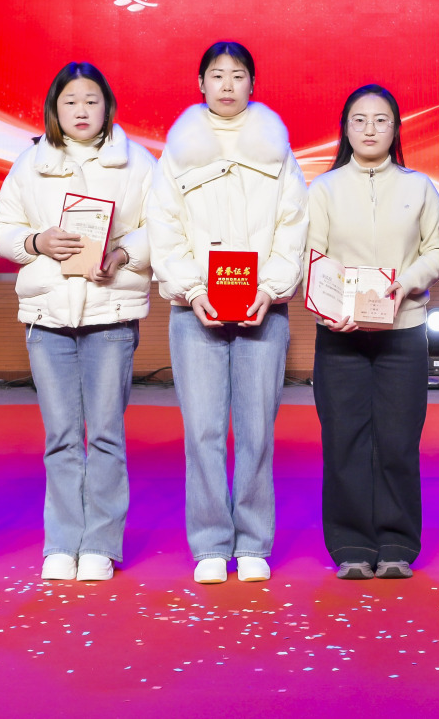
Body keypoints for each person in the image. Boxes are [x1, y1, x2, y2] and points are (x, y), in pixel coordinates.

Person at [146, 41, 308, 585]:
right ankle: (211, 543)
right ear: (200, 83)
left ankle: (254, 541)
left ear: (252, 84)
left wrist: (271, 287)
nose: (227, 85)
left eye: (238, 75)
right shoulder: (179, 148)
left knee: (257, 430)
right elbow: (163, 224)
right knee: (203, 432)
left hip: (264, 305)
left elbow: (294, 223)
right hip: (195, 310)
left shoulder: (276, 147)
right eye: (217, 75)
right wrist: (193, 289)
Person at [0, 62, 156, 583]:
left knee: (106, 434)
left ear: (107, 105)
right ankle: (63, 542)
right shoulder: (30, 164)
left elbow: (161, 226)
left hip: (111, 313)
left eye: (91, 100)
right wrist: (37, 241)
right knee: (62, 437)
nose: (81, 110)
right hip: (48, 318)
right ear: (54, 109)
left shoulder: (138, 163)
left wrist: (123, 254)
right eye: (70, 102)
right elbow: (3, 229)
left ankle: (101, 545)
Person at [307, 85, 439, 580]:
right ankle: (350, 544)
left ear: (396, 129)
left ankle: (395, 543)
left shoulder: (419, 187)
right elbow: (313, 257)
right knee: (343, 440)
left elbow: (438, 250)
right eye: (360, 120)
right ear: (345, 128)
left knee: (398, 440)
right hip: (340, 333)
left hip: (403, 330)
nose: (370, 129)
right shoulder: (323, 189)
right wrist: (329, 308)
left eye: (381, 120)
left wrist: (406, 284)